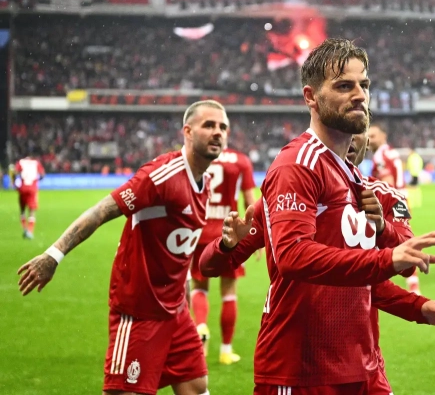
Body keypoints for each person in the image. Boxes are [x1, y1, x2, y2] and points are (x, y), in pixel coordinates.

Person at [219, 38, 435, 394]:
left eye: (364, 85)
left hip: (361, 364)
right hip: (302, 370)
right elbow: (291, 256)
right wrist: (388, 258)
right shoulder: (297, 165)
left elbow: (362, 282)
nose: (360, 95)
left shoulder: (355, 179)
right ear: (311, 97)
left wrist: (419, 307)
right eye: (344, 86)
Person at [199, 131, 435, 394]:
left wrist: (383, 229)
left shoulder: (391, 196)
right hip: (297, 365)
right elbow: (209, 266)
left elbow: (403, 263)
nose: (350, 137)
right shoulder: (294, 188)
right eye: (343, 130)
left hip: (366, 366)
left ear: (367, 142)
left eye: (358, 130)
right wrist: (226, 245)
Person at [16, 100, 231, 395]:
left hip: (176, 313)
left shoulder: (203, 183)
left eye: (223, 127)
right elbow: (102, 210)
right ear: (188, 131)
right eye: (209, 125)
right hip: (139, 311)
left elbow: (181, 252)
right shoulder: (161, 176)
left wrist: (186, 306)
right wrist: (53, 256)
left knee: (195, 386)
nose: (218, 132)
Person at [188, 136, 256, 364]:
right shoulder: (240, 160)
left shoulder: (199, 157)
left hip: (200, 232)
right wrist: (253, 236)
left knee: (199, 286)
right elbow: (250, 201)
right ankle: (226, 351)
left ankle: (200, 326)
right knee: (229, 291)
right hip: (229, 234)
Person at [368, 124, 420, 294]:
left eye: (373, 136)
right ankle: (413, 285)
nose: (369, 140)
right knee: (403, 240)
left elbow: (387, 183)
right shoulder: (392, 152)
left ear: (383, 136)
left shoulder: (380, 156)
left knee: (385, 241)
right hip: (402, 200)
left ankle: (379, 286)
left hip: (392, 202)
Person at [13, 155, 45, 239]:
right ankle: (30, 231)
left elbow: (15, 172)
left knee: (22, 210)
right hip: (32, 189)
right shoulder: (36, 163)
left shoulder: (21, 162)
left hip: (22, 188)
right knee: (32, 211)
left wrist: (15, 181)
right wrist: (37, 180)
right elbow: (42, 175)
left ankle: (24, 229)